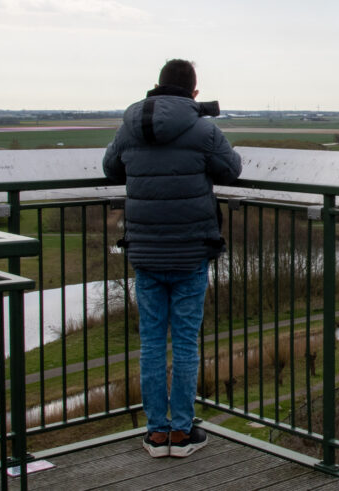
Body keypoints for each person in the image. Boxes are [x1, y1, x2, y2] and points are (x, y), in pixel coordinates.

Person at [103, 59, 241, 458]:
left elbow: (111, 168)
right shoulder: (202, 128)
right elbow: (230, 170)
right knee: (184, 344)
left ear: (157, 87)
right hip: (191, 250)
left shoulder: (130, 125)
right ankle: (181, 433)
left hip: (145, 251)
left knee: (150, 342)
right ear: (194, 93)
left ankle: (155, 432)